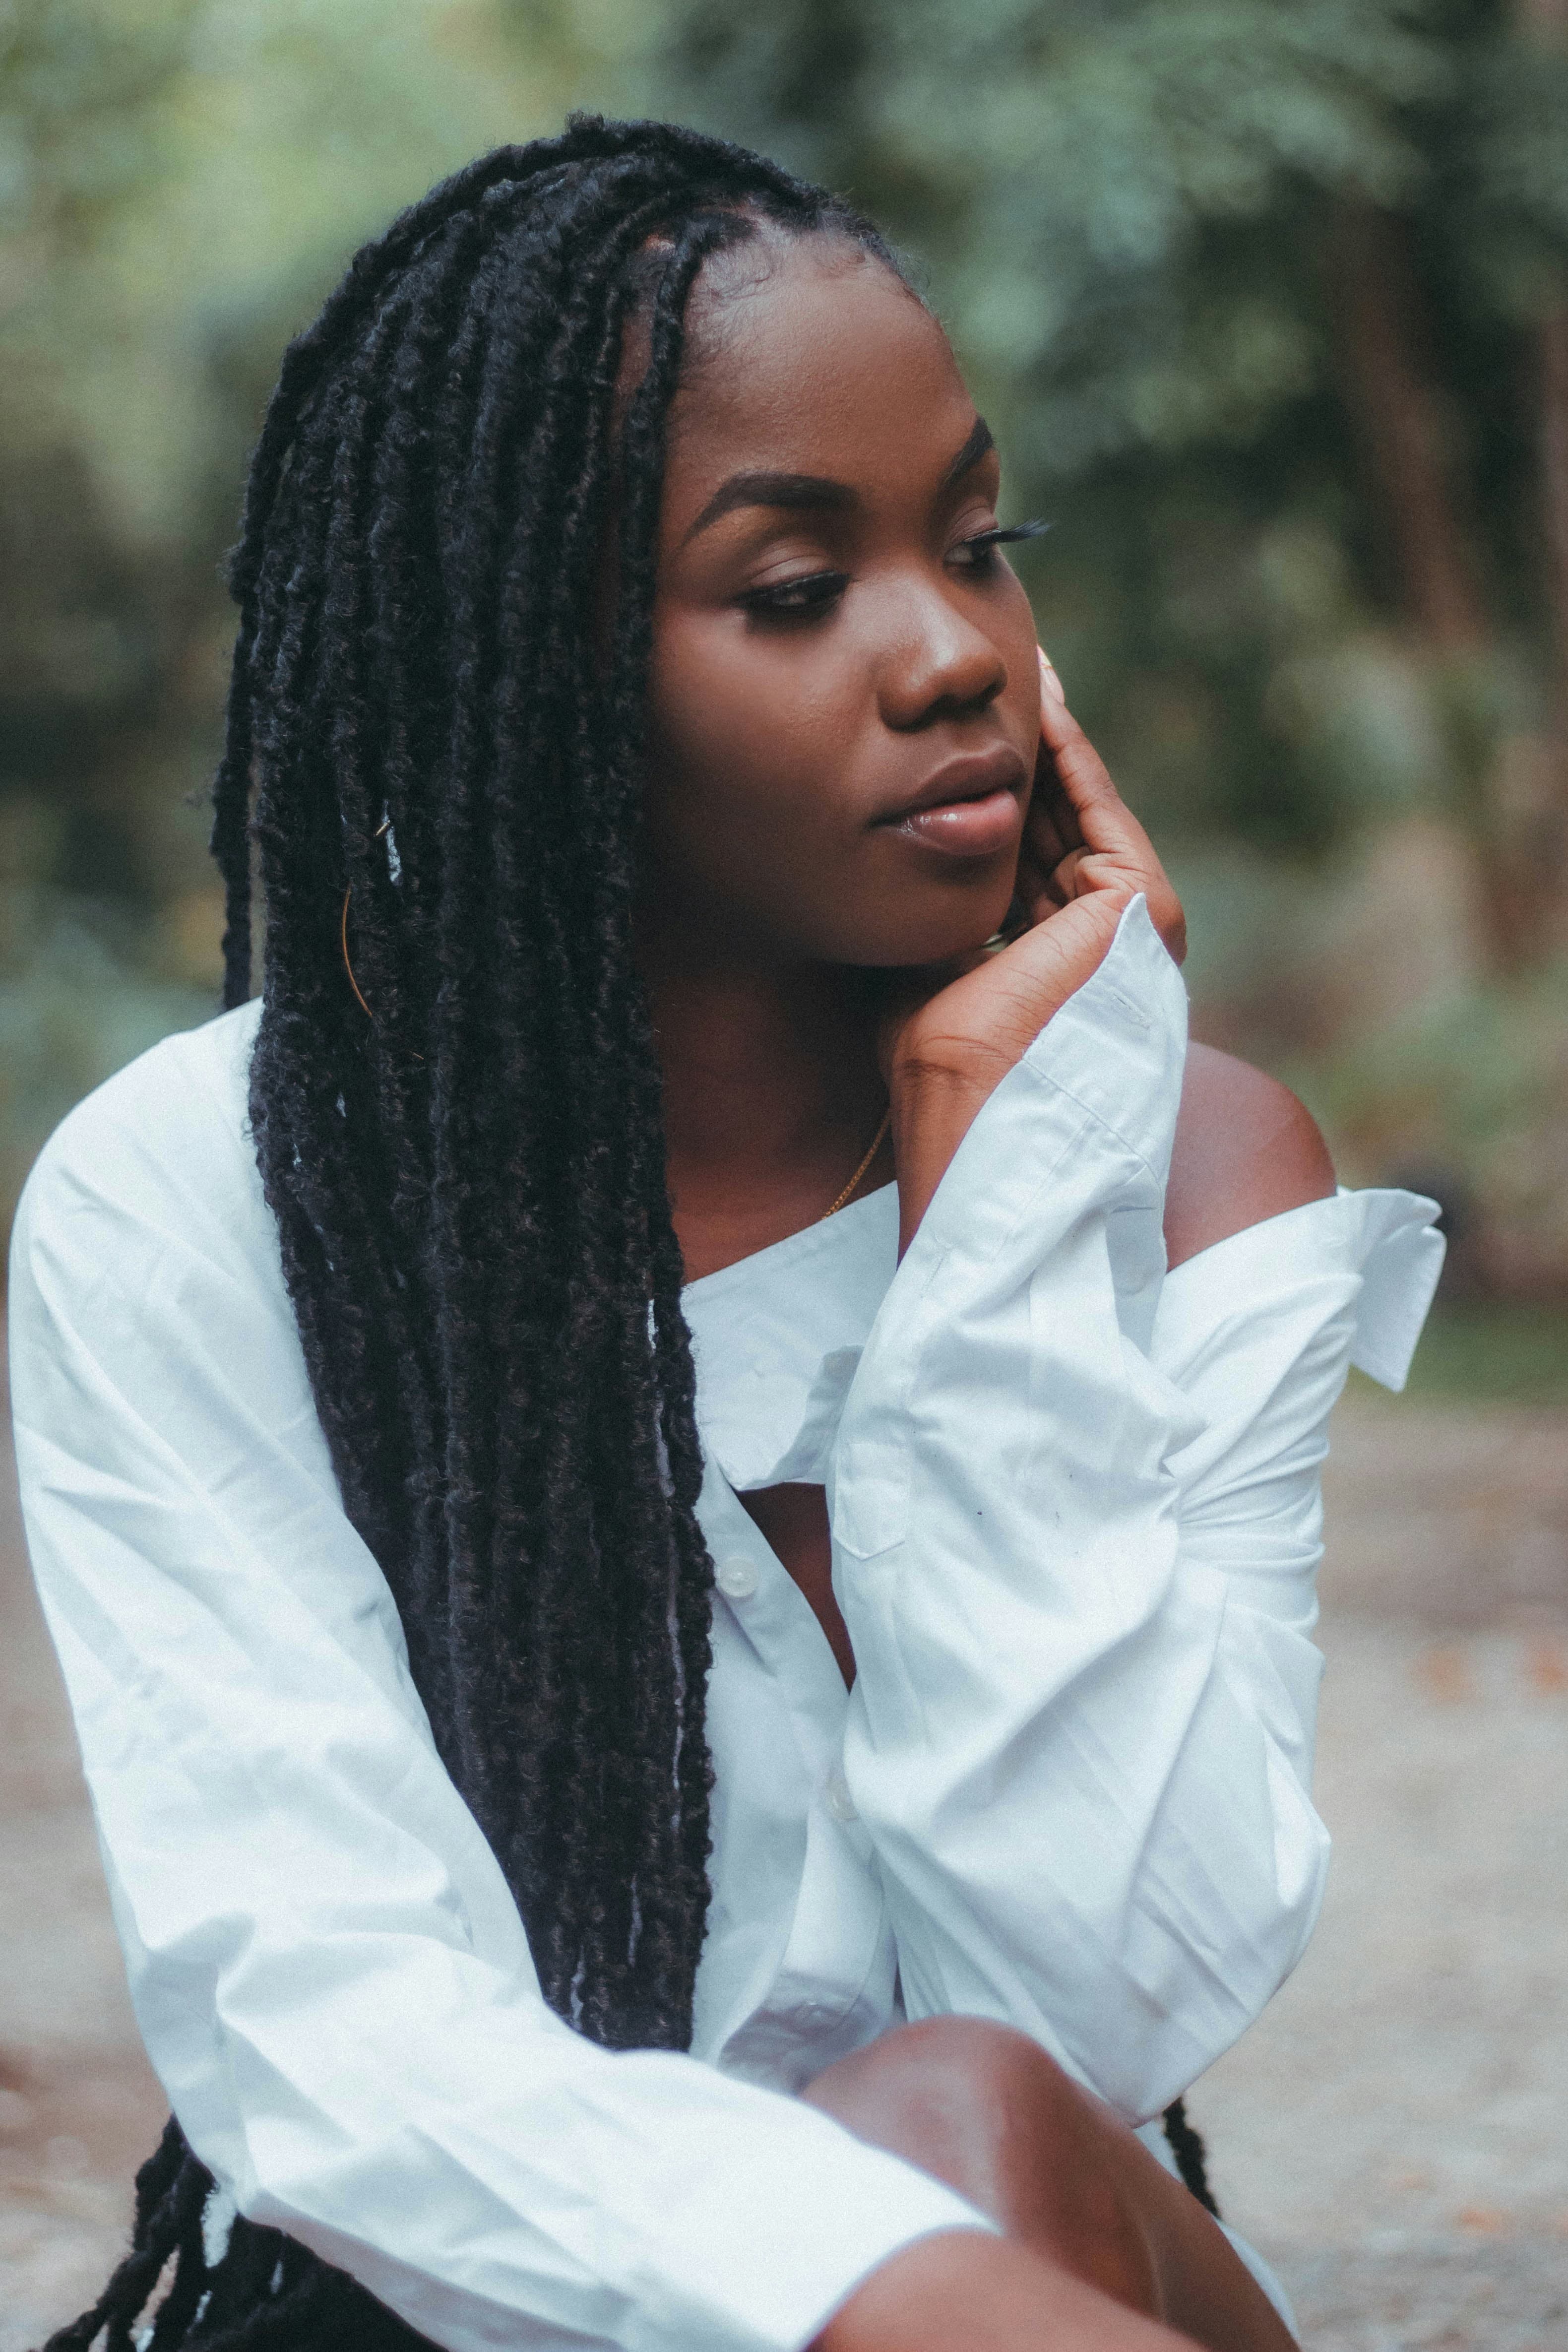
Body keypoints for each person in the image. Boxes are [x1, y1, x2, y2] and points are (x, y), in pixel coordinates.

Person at [9, 117, 1443, 2352]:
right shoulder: (202, 1196)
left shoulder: (1176, 1170)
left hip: (1023, 2229)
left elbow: (1108, 2005)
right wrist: (858, 2292)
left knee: (954, 2106)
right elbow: (339, 2028)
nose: (953, 652)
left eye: (980, 545)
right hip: (455, 2315)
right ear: (527, 671)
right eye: (792, 590)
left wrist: (1000, 1206)